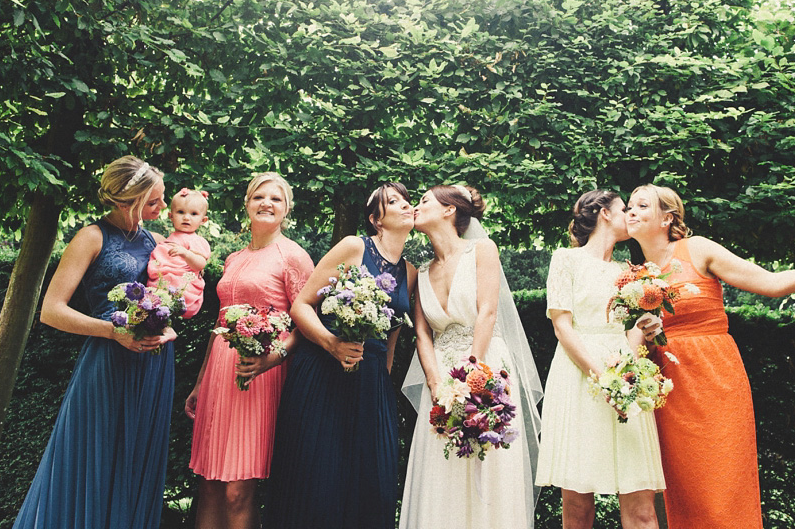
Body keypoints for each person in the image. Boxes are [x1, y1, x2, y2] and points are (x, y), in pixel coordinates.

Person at [625, 183, 795, 529]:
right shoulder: (633, 276)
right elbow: (631, 342)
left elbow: (773, 284)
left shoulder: (696, 249)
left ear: (668, 217)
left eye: (641, 205)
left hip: (714, 378)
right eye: (628, 207)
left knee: (722, 487)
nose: (631, 212)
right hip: (667, 387)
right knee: (682, 490)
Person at [13, 156, 176, 529]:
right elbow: (51, 310)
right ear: (125, 201)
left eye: (162, 199)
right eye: (154, 202)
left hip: (153, 363)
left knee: (139, 459)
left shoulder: (159, 241)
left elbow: (179, 295)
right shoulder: (91, 237)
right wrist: (111, 332)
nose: (163, 208)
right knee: (94, 456)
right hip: (107, 359)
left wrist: (168, 325)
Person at [263, 182, 417, 529]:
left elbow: (393, 331)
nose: (406, 205)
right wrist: (331, 343)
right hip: (321, 371)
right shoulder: (353, 247)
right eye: (394, 201)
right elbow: (301, 305)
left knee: (369, 479)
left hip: (371, 382)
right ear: (377, 219)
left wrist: (383, 378)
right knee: (316, 476)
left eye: (408, 200)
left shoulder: (410, 273)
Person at [400, 184, 543, 529]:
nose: (414, 207)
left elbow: (488, 313)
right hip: (441, 374)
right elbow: (422, 333)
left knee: (489, 461)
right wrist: (436, 384)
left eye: (423, 201)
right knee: (442, 465)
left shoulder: (482, 249)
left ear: (449, 210)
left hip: (484, 364)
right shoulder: (420, 272)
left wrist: (471, 375)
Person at [185, 172, 313, 529]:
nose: (266, 203)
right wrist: (199, 381)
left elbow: (307, 321)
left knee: (237, 492)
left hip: (261, 373)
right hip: (219, 376)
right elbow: (220, 322)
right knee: (209, 485)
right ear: (247, 204)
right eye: (259, 196)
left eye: (276, 198)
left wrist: (272, 359)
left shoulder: (293, 256)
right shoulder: (233, 258)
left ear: (287, 209)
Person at [534, 190, 665, 529]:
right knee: (577, 509)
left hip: (625, 373)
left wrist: (643, 329)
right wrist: (603, 379)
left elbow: (627, 335)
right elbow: (563, 328)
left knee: (642, 508)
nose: (632, 215)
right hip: (579, 378)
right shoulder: (566, 259)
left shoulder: (631, 272)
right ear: (605, 213)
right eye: (626, 209)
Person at [147, 187, 211, 318]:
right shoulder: (168, 238)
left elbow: (200, 264)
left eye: (193, 214)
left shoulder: (196, 240)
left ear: (203, 220)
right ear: (171, 216)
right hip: (162, 282)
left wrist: (186, 254)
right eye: (181, 212)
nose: (186, 217)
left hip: (181, 283)